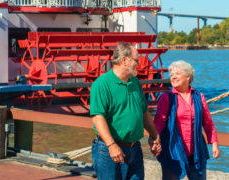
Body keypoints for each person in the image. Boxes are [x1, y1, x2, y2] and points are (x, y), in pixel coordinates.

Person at [90, 42, 161, 180]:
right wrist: (111, 145)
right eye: (136, 60)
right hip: (109, 150)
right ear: (124, 60)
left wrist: (155, 135)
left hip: (135, 148)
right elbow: (98, 118)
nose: (139, 64)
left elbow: (144, 113)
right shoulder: (101, 84)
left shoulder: (135, 83)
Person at [153, 60, 220, 180]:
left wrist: (214, 144)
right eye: (171, 74)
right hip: (173, 152)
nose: (173, 76)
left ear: (188, 76)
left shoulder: (199, 96)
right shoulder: (166, 98)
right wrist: (153, 140)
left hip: (197, 152)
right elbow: (158, 122)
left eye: (177, 73)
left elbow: (208, 123)